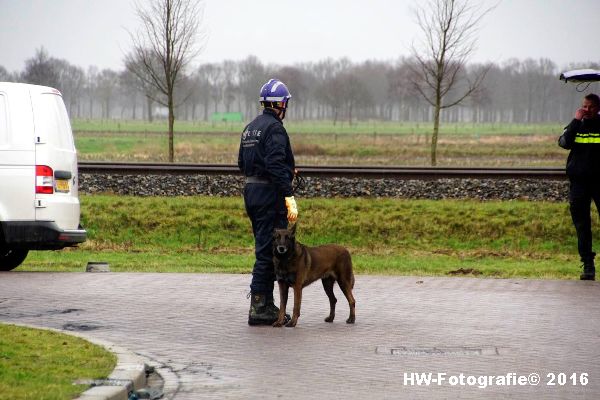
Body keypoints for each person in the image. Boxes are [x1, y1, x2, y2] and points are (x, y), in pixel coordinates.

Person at [238, 78, 298, 325]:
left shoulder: (251, 127)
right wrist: (288, 195)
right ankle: (259, 307)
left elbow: (242, 164)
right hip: (269, 196)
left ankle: (266, 303)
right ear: (280, 104)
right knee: (268, 251)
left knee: (265, 246)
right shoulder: (275, 129)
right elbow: (274, 164)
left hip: (252, 191)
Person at [558, 93, 600, 280]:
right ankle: (588, 265)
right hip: (579, 183)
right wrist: (576, 121)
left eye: (590, 107)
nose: (586, 110)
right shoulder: (577, 125)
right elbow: (564, 142)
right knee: (582, 225)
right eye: (584, 106)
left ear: (598, 108)